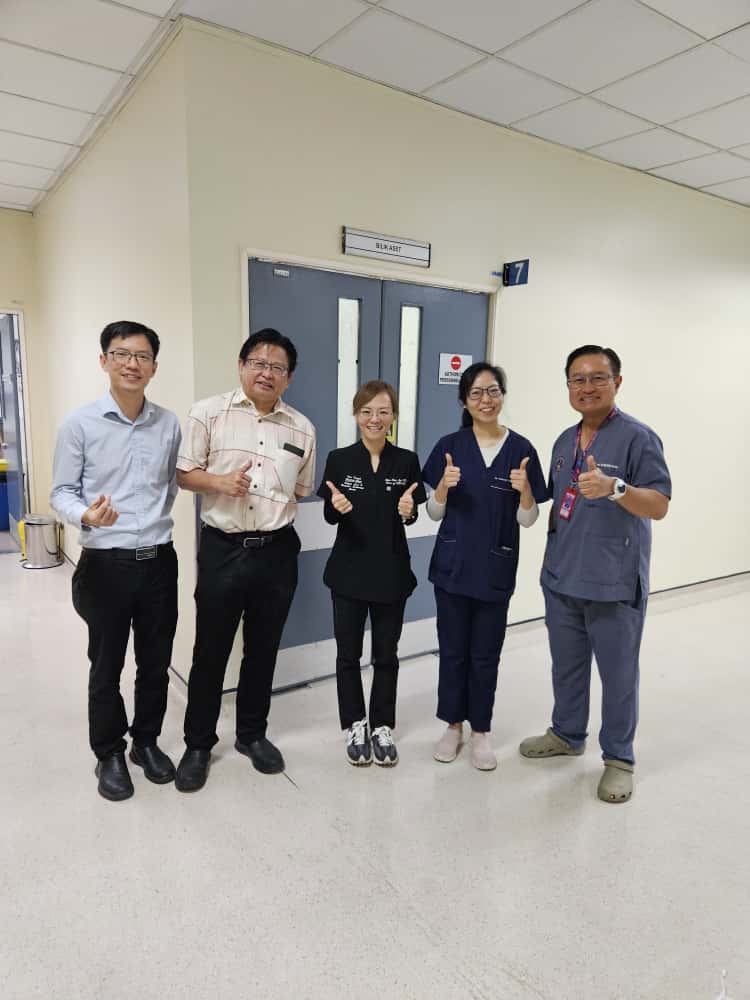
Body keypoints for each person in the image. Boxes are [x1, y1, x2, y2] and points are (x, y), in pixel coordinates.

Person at [520, 345, 671, 804]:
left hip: (613, 583)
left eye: (597, 378)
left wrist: (615, 487)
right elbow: (559, 503)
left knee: (618, 676)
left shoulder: (638, 438)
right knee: (566, 667)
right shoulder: (564, 441)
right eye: (577, 379)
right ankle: (567, 734)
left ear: (616, 382)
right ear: (568, 386)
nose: (587, 387)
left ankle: (619, 759)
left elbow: (659, 505)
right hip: (562, 578)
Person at [174, 328, 315, 791]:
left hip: (277, 551)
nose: (266, 372)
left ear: (289, 377)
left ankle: (252, 734)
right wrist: (218, 483)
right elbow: (184, 473)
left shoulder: (302, 427)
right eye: (258, 362)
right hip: (224, 548)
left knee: (263, 649)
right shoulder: (208, 413)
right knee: (210, 651)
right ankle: (198, 744)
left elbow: (300, 490)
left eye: (277, 367)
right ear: (241, 366)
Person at [51, 321, 181, 801]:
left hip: (159, 562)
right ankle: (108, 751)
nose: (132, 364)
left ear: (154, 367)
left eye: (142, 356)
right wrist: (86, 514)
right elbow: (61, 492)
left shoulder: (168, 424)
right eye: (122, 354)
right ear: (104, 360)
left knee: (156, 662)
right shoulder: (80, 424)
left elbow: (170, 486)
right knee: (106, 664)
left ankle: (145, 742)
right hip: (106, 564)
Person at [422, 362, 547, 771]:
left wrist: (525, 493)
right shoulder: (450, 446)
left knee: (485, 655)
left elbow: (528, 519)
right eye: (476, 393)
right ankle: (452, 725)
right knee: (453, 651)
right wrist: (443, 487)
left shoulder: (522, 450)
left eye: (493, 391)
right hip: (453, 568)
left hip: (495, 569)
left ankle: (481, 731)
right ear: (464, 401)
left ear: (502, 396)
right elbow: (433, 513)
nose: (485, 400)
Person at [317, 381, 426, 767]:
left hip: (391, 572)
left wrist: (409, 511)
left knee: (386, 655)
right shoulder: (339, 459)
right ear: (356, 415)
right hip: (347, 572)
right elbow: (330, 515)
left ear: (393, 416)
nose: (374, 419)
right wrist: (336, 506)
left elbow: (411, 514)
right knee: (347, 655)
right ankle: (354, 723)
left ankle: (381, 724)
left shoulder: (407, 461)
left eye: (382, 411)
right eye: (366, 411)